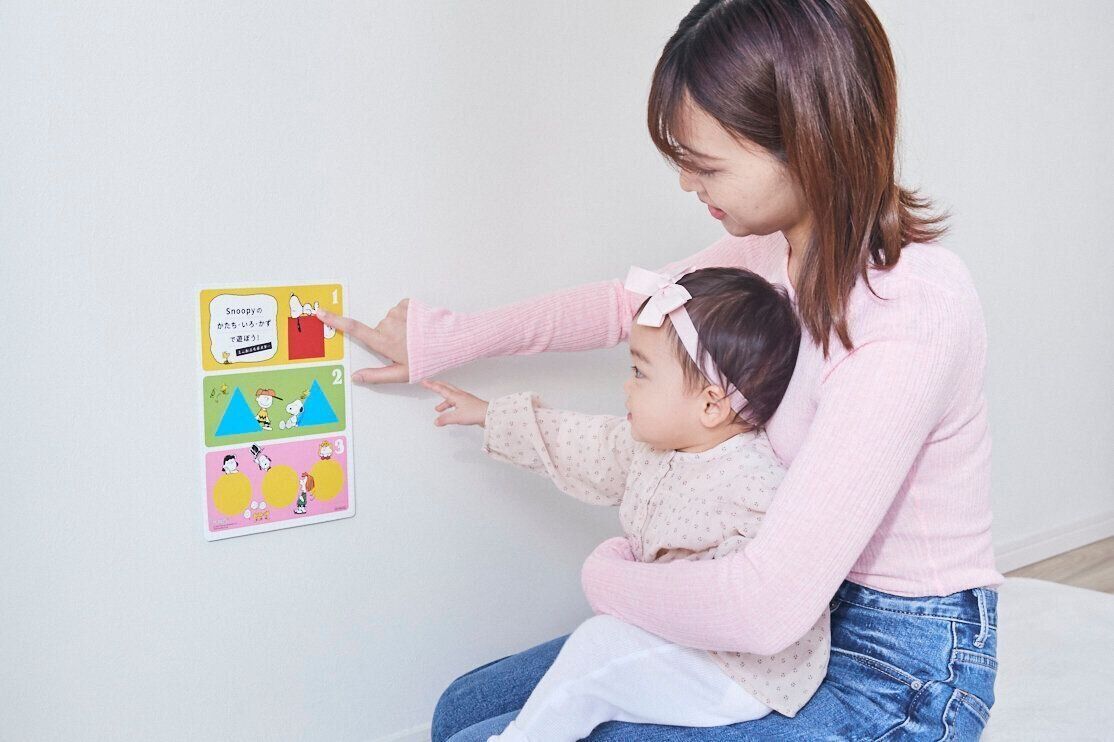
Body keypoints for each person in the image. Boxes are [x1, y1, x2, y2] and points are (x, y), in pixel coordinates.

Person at [319, 0, 1003, 737]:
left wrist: (606, 578)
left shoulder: (912, 309)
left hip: (896, 667)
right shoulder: (765, 250)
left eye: (705, 165)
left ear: (810, 139)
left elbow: (765, 608)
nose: (685, 183)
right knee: (463, 709)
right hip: (778, 620)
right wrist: (445, 340)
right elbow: (628, 307)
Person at [420, 266, 825, 741]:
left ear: (710, 404)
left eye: (640, 372)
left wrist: (627, 580)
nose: (627, 386)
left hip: (738, 674)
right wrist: (488, 415)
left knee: (599, 644)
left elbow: (765, 592)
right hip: (672, 644)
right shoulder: (653, 449)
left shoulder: (752, 482)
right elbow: (579, 442)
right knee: (491, 693)